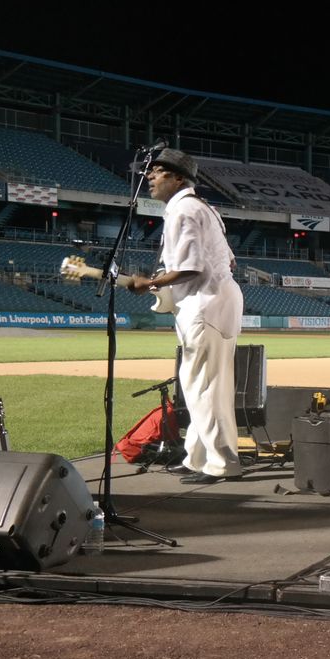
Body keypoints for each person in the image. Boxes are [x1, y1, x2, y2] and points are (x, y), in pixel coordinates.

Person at [124, 148, 244, 485]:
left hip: (205, 305)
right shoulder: (201, 208)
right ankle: (198, 458)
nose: (149, 176)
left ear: (178, 178)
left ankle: (222, 463)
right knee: (203, 387)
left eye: (158, 171)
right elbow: (228, 260)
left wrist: (151, 283)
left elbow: (192, 268)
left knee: (204, 388)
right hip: (214, 301)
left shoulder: (184, 210)